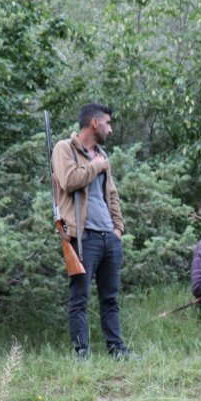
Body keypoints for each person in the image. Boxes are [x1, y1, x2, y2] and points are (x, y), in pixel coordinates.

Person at [51, 102, 130, 359]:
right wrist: (96, 166)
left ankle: (116, 350)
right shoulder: (65, 149)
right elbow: (70, 181)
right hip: (82, 236)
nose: (110, 127)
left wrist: (118, 228)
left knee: (110, 298)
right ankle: (81, 353)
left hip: (109, 237)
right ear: (94, 123)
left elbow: (112, 195)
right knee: (79, 299)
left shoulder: (101, 155)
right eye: (107, 122)